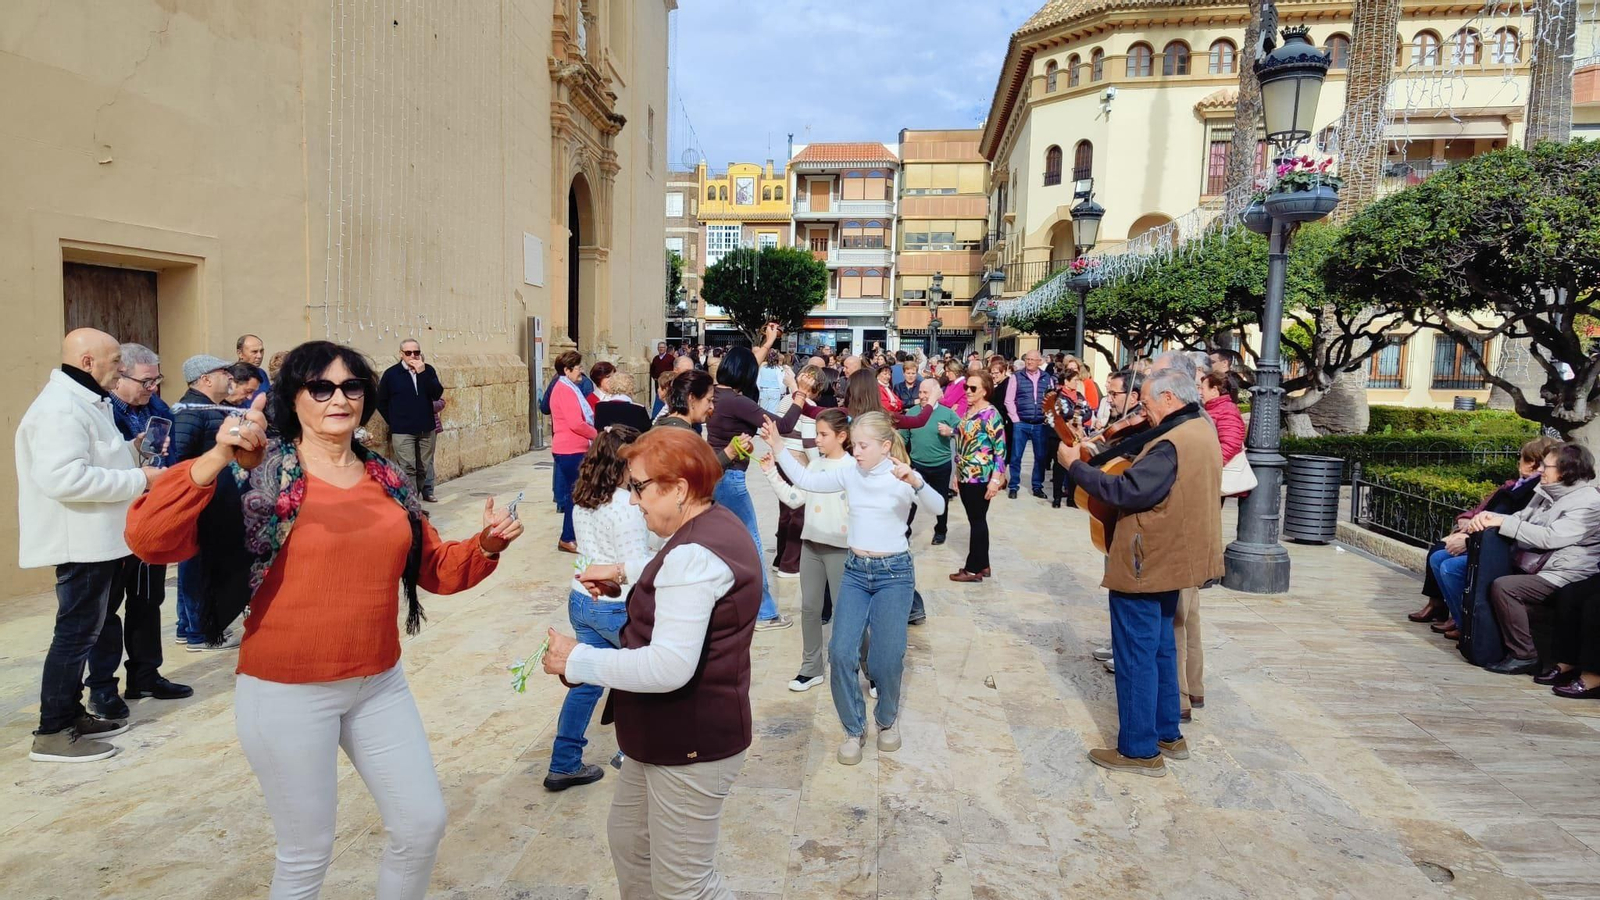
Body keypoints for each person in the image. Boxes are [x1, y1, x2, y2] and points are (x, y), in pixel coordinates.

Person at [127, 340, 521, 898]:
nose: (338, 398)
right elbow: (147, 538)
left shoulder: (385, 477)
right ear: (293, 395)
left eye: (351, 386)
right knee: (307, 853)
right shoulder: (257, 473)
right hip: (286, 690)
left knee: (421, 823)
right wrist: (216, 457)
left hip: (378, 683)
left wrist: (486, 544)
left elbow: (431, 567)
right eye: (321, 387)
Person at [540, 428, 758, 900]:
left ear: (678, 489)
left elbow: (668, 667)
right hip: (660, 737)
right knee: (631, 843)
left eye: (638, 487)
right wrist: (621, 572)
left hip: (690, 740)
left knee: (686, 886)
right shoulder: (709, 526)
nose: (633, 500)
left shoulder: (695, 553)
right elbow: (675, 568)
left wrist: (578, 659)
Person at [761, 412, 946, 765]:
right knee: (841, 653)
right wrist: (779, 447)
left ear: (885, 446)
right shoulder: (849, 473)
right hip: (857, 572)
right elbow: (804, 479)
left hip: (895, 574)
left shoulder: (899, 477)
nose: (856, 451)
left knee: (886, 659)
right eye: (855, 444)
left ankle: (887, 721)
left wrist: (916, 480)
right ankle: (853, 728)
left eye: (863, 446)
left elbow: (938, 508)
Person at [18, 329, 165, 762]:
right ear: (86, 361)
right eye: (115, 359)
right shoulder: (60, 408)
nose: (120, 367)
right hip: (77, 543)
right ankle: (53, 731)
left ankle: (70, 713)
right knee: (74, 636)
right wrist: (140, 478)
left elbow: (95, 457)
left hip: (97, 541)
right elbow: (64, 478)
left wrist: (131, 449)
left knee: (84, 634)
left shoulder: (85, 401)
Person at [1069, 368, 1222, 776]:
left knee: (1136, 653)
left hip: (1146, 559)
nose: (1145, 412)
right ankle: (1167, 733)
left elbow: (1128, 491)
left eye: (1149, 404)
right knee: (1160, 647)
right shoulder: (1200, 426)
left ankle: (1139, 750)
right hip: (1175, 557)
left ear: (1170, 398)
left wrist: (1076, 467)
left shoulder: (1173, 441)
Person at [545, 425, 649, 791]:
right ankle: (630, 751)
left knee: (585, 682)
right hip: (615, 604)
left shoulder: (582, 498)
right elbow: (636, 566)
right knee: (640, 679)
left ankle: (564, 763)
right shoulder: (626, 508)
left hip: (580, 597)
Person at [102, 343, 191, 714]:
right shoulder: (104, 413)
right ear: (119, 378)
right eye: (146, 381)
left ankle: (145, 674)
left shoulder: (155, 407)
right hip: (113, 524)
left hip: (152, 516)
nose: (153, 388)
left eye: (157, 380)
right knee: (107, 610)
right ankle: (103, 689)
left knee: (148, 600)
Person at [1465, 443, 1600, 675]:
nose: (1540, 471)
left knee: (1505, 587)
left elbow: (1551, 537)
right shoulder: (1546, 492)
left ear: (1565, 471)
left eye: (1546, 466)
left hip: (1565, 572)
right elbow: (1520, 518)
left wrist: (1503, 523)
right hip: (1535, 564)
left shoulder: (1588, 502)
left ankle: (1524, 655)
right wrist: (1488, 517)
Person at [1415, 437, 1555, 635]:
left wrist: (1469, 539)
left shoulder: (1535, 492)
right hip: (1485, 538)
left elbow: (1523, 527)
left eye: (1521, 458)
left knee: (1449, 566)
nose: (1519, 462)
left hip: (1504, 550)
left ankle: (1468, 625)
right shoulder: (1514, 485)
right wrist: (1466, 522)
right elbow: (1485, 509)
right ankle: (1455, 616)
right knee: (1438, 554)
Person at [706, 345, 803, 630]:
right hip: (731, 479)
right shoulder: (737, 402)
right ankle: (764, 612)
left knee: (719, 543)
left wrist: (768, 342)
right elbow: (782, 425)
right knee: (751, 544)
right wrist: (798, 395)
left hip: (715, 472)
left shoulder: (716, 393)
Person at [760, 408, 852, 692]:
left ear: (842, 436)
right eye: (817, 434)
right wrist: (771, 472)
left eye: (824, 435)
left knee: (848, 612)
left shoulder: (851, 469)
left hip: (841, 550)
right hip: (811, 547)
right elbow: (794, 497)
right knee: (810, 608)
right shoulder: (814, 467)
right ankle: (811, 667)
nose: (818, 440)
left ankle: (867, 666)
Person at [169, 353, 243, 652]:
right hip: (201, 500)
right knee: (197, 565)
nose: (230, 377)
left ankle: (189, 627)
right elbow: (181, 458)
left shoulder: (216, 409)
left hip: (216, 498)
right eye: (224, 371)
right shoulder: (189, 411)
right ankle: (200, 632)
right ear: (206, 379)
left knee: (199, 563)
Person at [950, 371, 1008, 582]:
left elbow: (1000, 449)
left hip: (980, 476)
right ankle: (983, 564)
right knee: (976, 520)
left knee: (977, 521)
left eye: (973, 388)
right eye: (966, 387)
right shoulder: (969, 410)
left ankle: (973, 568)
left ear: (985, 391)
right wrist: (957, 474)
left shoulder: (991, 414)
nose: (967, 391)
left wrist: (995, 479)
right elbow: (962, 440)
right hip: (965, 473)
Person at [376, 339, 445, 502]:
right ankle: (411, 498)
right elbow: (381, 401)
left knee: (424, 466)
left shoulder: (428, 371)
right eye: (408, 353)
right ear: (401, 354)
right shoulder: (391, 374)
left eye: (416, 352)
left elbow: (436, 393)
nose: (413, 356)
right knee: (408, 467)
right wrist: (394, 421)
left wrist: (422, 373)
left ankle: (423, 491)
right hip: (402, 430)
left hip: (426, 428)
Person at [901, 378, 960, 547]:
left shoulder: (946, 413)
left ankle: (941, 531)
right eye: (920, 392)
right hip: (917, 465)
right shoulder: (912, 412)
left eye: (926, 392)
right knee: (910, 501)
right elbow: (902, 439)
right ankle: (904, 531)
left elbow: (963, 431)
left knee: (941, 500)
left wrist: (951, 431)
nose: (922, 396)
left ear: (936, 393)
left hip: (941, 465)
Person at [550, 350, 598, 553]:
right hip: (570, 449)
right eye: (578, 367)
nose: (581, 371)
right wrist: (597, 435)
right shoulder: (564, 390)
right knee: (575, 495)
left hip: (572, 447)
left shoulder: (568, 387)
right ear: (567, 370)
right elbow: (575, 422)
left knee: (576, 494)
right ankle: (567, 537)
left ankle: (573, 535)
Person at [655, 370, 750, 469]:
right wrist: (730, 452)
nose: (712, 407)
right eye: (709, 400)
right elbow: (701, 474)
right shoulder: (685, 436)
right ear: (691, 398)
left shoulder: (661, 424)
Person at [1005, 350, 1057, 500]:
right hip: (1021, 423)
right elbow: (1009, 400)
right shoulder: (1016, 377)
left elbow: (1051, 399)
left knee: (1040, 457)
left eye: (1033, 360)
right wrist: (1015, 419)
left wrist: (1048, 417)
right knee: (1016, 456)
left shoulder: (1047, 378)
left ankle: (1037, 486)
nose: (1029, 362)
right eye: (1027, 359)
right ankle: (1013, 486)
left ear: (1039, 361)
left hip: (1040, 424)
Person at [237, 333, 270, 399]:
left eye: (261, 351)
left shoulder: (262, 373)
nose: (259, 356)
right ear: (240, 353)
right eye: (254, 352)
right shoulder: (230, 376)